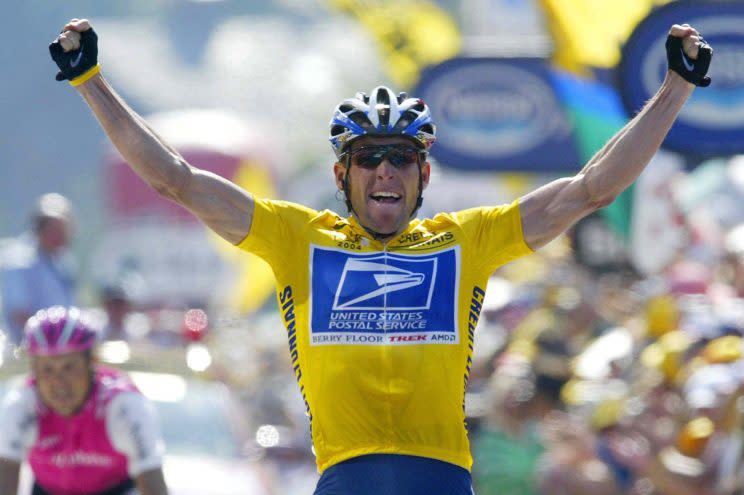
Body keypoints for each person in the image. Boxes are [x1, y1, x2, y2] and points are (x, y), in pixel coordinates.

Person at [48, 18, 713, 495]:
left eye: (403, 157)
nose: (387, 168)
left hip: (444, 477)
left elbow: (592, 187)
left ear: (423, 176)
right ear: (344, 176)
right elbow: (175, 180)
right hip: (347, 476)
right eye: (370, 156)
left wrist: (675, 92)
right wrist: (91, 83)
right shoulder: (296, 237)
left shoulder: (466, 238)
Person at [0, 306, 169, 495]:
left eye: (69, 367)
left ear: (92, 362)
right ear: (34, 371)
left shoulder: (125, 407)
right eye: (47, 369)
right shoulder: (21, 406)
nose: (59, 383)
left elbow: (155, 488)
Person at [1, 194, 77, 346]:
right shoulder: (19, 260)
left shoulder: (62, 262)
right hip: (27, 349)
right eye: (55, 230)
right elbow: (19, 313)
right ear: (39, 229)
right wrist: (48, 341)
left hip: (58, 347)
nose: (62, 236)